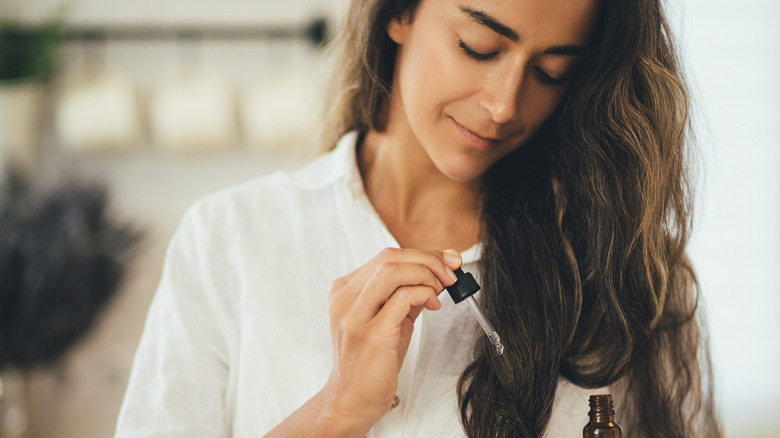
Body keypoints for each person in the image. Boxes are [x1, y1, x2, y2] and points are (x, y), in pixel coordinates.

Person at [115, 0, 721, 437]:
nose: (505, 104)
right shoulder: (230, 239)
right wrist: (337, 410)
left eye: (550, 73)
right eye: (478, 47)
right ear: (398, 14)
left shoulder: (630, 275)